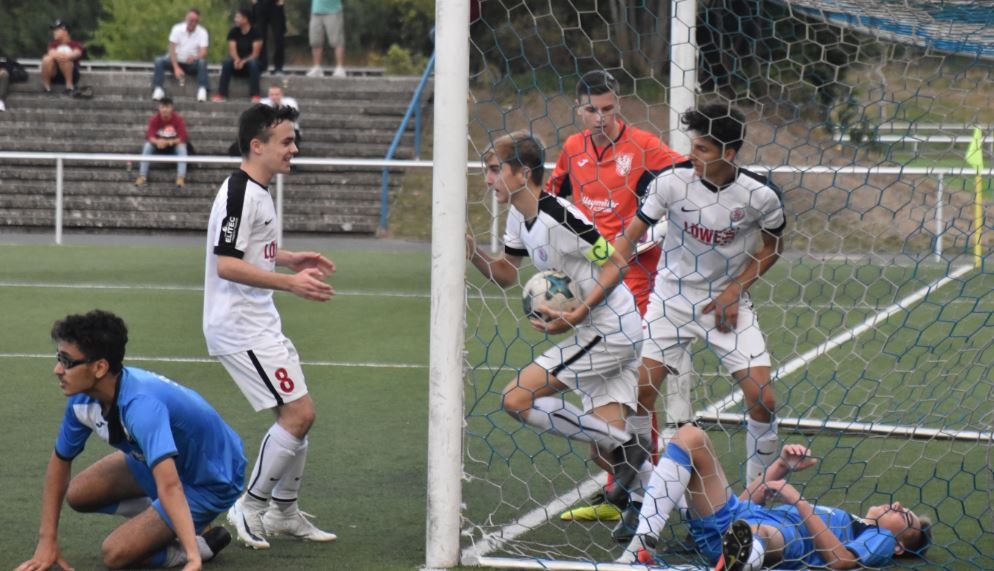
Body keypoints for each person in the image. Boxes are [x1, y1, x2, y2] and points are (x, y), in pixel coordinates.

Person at [466, 130, 651, 507]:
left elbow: (616, 265)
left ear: (524, 172)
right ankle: (674, 511)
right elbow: (506, 274)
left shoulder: (559, 217)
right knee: (604, 454)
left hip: (610, 329)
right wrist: (471, 253)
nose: (488, 179)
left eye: (495, 169)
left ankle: (628, 443)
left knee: (516, 399)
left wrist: (578, 312)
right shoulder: (518, 217)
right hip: (598, 330)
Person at [615, 102, 786, 493]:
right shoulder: (670, 182)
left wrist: (734, 289)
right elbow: (631, 235)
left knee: (763, 399)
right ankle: (640, 496)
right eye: (693, 145)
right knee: (638, 395)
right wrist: (608, 277)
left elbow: (772, 246)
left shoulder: (760, 195)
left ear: (729, 153)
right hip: (670, 300)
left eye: (703, 149)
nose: (692, 155)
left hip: (725, 304)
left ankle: (755, 499)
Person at [546, 69, 688, 526]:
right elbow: (553, 200)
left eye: (609, 109)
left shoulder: (645, 146)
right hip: (591, 282)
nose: (601, 117)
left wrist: (658, 228)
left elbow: (688, 177)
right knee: (603, 389)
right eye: (592, 109)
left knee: (637, 387)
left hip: (637, 278)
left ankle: (652, 494)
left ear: (619, 105)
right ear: (579, 109)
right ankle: (621, 490)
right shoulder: (573, 149)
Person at [15, 309, 246, 571]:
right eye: (59, 358)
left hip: (211, 479)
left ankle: (195, 545)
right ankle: (174, 521)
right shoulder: (82, 399)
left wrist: (193, 557)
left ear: (100, 367)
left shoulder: (141, 407)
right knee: (79, 494)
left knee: (116, 554)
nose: (58, 370)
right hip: (159, 463)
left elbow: (170, 486)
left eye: (67, 362)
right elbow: (60, 462)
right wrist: (47, 541)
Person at [203, 103, 337, 550]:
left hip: (259, 321)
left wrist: (289, 257)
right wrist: (291, 283)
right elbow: (226, 264)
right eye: (286, 141)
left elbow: (249, 247)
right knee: (299, 415)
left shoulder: (257, 190)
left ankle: (283, 512)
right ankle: (250, 506)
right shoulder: (240, 192)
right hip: (239, 326)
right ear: (257, 145)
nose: (294, 148)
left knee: (296, 416)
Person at [616, 424, 932, 570]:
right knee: (691, 436)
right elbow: (745, 502)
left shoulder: (880, 538)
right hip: (733, 523)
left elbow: (841, 561)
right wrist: (781, 467)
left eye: (905, 516)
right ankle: (641, 547)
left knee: (761, 532)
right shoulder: (847, 518)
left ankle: (737, 562)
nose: (898, 505)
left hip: (776, 542)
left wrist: (798, 501)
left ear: (900, 546)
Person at [152, 8, 210, 103]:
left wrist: (195, 57)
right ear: (186, 18)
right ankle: (158, 88)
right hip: (176, 60)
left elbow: (203, 51)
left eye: (195, 21)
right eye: (191, 20)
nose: (192, 23)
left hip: (191, 63)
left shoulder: (202, 32)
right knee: (159, 61)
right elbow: (172, 49)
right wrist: (176, 67)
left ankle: (202, 89)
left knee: (202, 63)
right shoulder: (177, 29)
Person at [135, 97, 190, 188]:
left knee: (182, 147)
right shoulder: (154, 119)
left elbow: (182, 137)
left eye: (167, 107)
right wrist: (157, 142)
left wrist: (168, 142)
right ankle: (142, 176)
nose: (164, 110)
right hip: (158, 147)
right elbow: (149, 136)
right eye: (162, 107)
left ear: (171, 108)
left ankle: (181, 177)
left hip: (173, 147)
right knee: (147, 145)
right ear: (159, 108)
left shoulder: (178, 119)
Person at [212, 7, 263, 103]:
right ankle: (222, 94)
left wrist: (244, 61)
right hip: (237, 62)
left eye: (238, 17)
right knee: (227, 63)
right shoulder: (234, 32)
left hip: (251, 63)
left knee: (253, 64)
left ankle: (255, 94)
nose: (235, 19)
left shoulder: (255, 32)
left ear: (245, 19)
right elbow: (232, 50)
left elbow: (255, 54)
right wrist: (237, 60)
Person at [40, 19, 84, 96]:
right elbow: (51, 53)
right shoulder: (52, 44)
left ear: (65, 31)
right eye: (54, 30)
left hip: (72, 74)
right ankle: (47, 89)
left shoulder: (76, 44)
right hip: (55, 74)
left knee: (65, 59)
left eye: (57, 30)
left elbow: (76, 53)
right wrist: (62, 55)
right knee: (46, 59)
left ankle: (69, 87)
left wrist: (64, 56)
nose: (54, 32)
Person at [307, 0, 346, 78]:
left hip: (333, 11)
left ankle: (340, 68)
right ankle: (317, 67)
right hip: (316, 11)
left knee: (337, 40)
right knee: (315, 41)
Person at [260, 84, 300, 148]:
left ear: (282, 94)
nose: (274, 97)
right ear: (268, 95)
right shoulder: (263, 103)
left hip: (289, 130)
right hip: (270, 130)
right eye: (272, 95)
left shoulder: (290, 102)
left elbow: (293, 119)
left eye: (277, 94)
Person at [252, 0, 287, 75]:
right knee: (260, 36)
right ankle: (262, 67)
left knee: (279, 36)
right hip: (260, 4)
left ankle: (278, 67)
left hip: (276, 4)